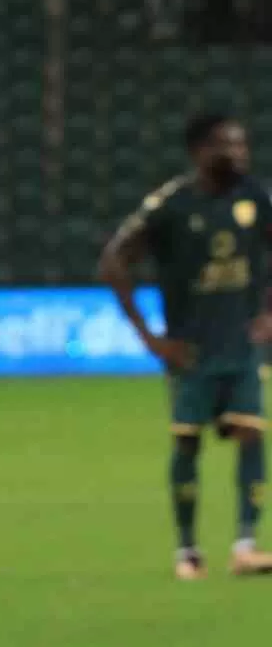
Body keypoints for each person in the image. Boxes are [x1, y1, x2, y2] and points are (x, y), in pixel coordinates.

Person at [99, 112, 272, 580]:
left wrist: (268, 314)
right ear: (199, 151)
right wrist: (150, 337)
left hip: (241, 345)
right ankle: (188, 552)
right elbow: (113, 262)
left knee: (252, 434)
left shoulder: (255, 197)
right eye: (227, 145)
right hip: (191, 351)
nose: (238, 154)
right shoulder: (170, 205)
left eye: (242, 145)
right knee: (188, 442)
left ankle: (245, 546)